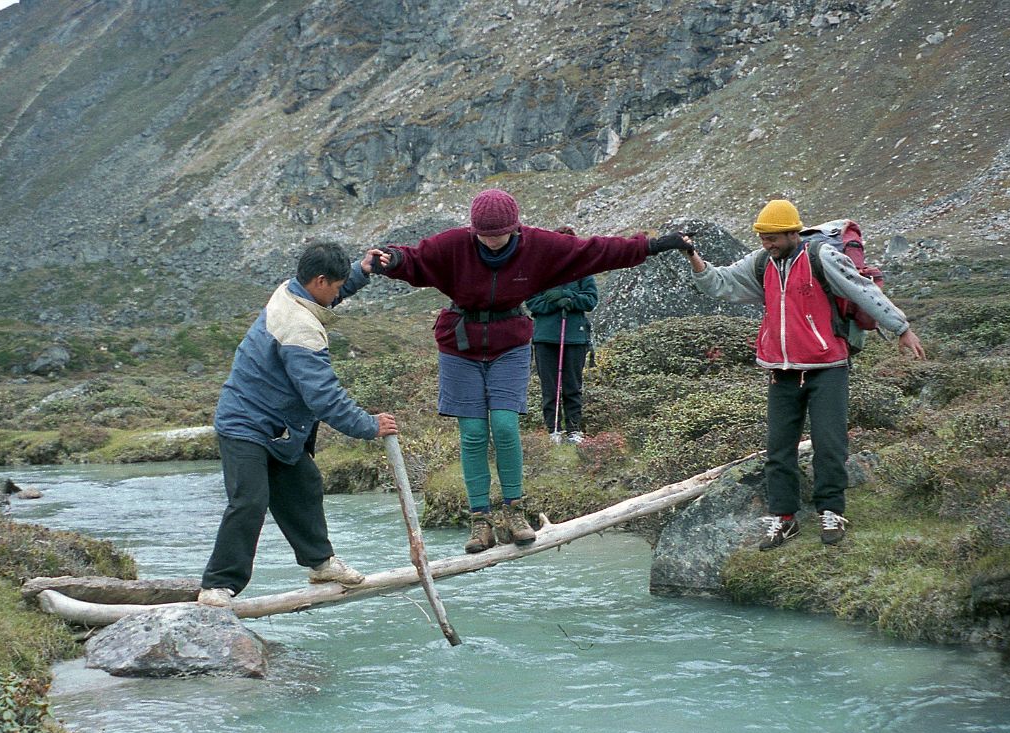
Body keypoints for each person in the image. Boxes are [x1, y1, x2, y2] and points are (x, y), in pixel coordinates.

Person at [363, 189, 693, 554]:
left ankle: (514, 512)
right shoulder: (456, 244)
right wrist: (391, 259)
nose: (490, 243)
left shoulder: (539, 246)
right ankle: (480, 520)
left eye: (498, 235)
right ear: (473, 231)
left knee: (504, 425)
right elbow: (414, 259)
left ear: (515, 228)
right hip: (459, 346)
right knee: (472, 433)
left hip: (510, 344)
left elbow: (598, 251)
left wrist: (654, 245)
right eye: (483, 236)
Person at [681, 199, 926, 550]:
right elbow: (720, 283)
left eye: (773, 238)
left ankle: (832, 511)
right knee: (778, 449)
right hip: (780, 370)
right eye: (763, 237)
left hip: (827, 367)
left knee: (830, 443)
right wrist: (693, 258)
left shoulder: (822, 257)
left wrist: (901, 328)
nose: (767, 244)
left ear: (793, 232)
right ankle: (783, 518)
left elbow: (863, 290)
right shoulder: (761, 262)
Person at [197, 241, 398, 606]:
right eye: (336, 286)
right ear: (320, 281)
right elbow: (323, 397)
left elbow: (328, 294)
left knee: (304, 484)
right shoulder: (299, 329)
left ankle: (320, 563)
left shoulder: (292, 290)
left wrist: (361, 271)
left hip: (279, 426)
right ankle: (218, 585)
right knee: (249, 502)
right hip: (245, 423)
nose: (338, 293)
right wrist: (368, 425)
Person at [526, 227, 598, 444]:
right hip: (545, 338)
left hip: (574, 337)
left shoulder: (584, 270)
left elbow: (591, 300)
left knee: (572, 385)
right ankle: (553, 430)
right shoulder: (539, 271)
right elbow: (532, 303)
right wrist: (555, 303)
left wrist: (567, 296)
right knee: (549, 386)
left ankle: (574, 430)